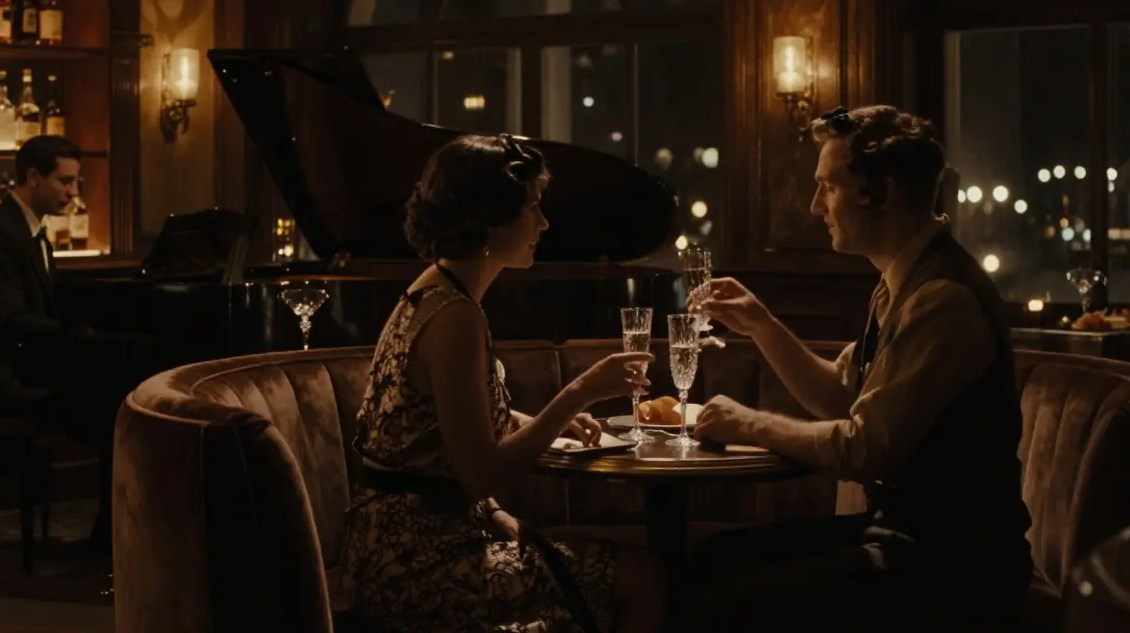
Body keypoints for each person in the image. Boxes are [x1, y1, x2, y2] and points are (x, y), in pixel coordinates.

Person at [686, 106, 1033, 630]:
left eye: (828, 187)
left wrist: (748, 423)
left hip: (954, 566)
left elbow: (863, 446)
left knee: (727, 598)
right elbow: (840, 394)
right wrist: (759, 323)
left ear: (883, 192)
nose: (814, 206)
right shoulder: (900, 282)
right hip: (902, 538)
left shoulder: (941, 298)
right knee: (708, 563)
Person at [340, 134, 666, 632]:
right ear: (490, 220)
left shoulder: (431, 290)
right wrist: (578, 392)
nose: (544, 223)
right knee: (645, 575)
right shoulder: (454, 316)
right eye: (533, 207)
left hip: (396, 543)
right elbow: (483, 475)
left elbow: (437, 430)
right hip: (414, 561)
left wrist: (535, 422)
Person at [0, 135, 146, 553]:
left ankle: (113, 535)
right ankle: (111, 541)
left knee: (117, 414)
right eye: (66, 182)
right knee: (116, 421)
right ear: (33, 177)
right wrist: (75, 337)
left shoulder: (31, 231)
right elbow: (4, 321)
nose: (74, 193)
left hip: (25, 370)